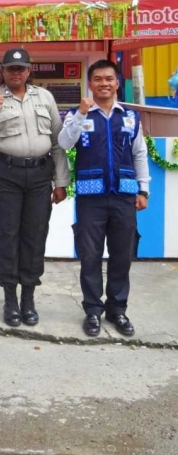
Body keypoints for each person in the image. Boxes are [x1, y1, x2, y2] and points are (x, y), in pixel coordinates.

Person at [0, 48, 69, 327]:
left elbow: (57, 142)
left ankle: (28, 297)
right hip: (5, 176)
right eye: (11, 68)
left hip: (40, 175)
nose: (16, 73)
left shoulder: (45, 97)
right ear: (2, 71)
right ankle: (10, 298)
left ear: (28, 70)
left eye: (21, 68)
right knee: (7, 235)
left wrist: (61, 182)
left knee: (35, 236)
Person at [58, 60, 149, 337]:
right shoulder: (77, 114)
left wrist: (143, 190)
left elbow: (139, 154)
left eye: (109, 79)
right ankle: (93, 311)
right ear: (90, 83)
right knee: (90, 256)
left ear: (117, 82)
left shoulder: (130, 117)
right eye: (98, 79)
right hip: (90, 196)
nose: (104, 84)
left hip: (125, 196)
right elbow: (64, 143)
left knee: (122, 255)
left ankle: (117, 310)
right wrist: (81, 115)